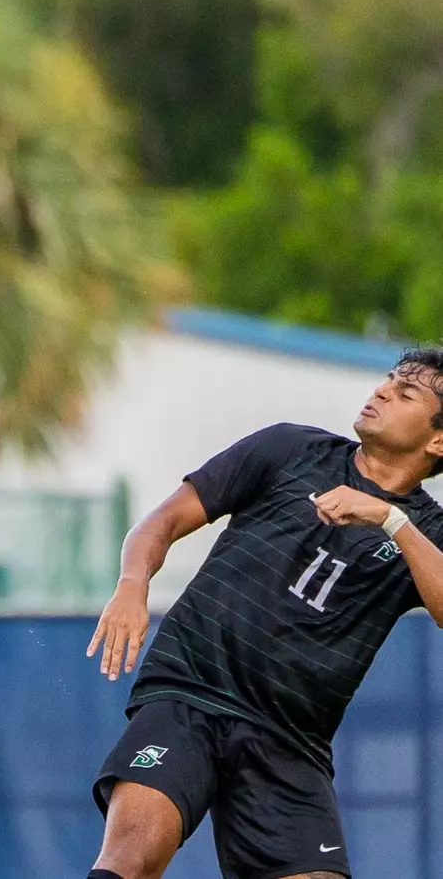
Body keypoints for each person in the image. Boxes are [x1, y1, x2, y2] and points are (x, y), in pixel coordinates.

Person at [83, 350, 443, 879]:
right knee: (130, 861)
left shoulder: (425, 532)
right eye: (387, 380)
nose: (382, 391)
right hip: (191, 693)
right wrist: (132, 585)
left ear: (438, 442)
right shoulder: (290, 449)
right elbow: (161, 522)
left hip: (291, 740)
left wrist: (391, 520)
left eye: (406, 393)